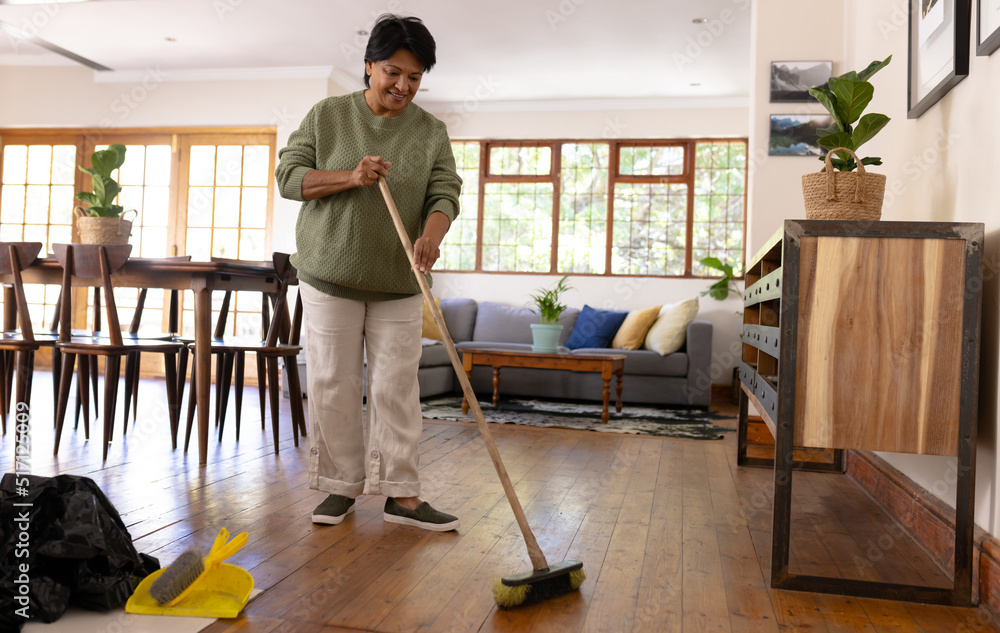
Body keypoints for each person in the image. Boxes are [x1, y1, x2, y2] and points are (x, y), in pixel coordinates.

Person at [274, 14, 462, 531]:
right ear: (369, 66)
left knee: (396, 387)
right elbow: (289, 177)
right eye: (393, 72)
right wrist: (351, 175)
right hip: (329, 274)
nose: (403, 85)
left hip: (399, 280)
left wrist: (431, 235)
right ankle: (339, 488)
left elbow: (446, 192)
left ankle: (401, 494)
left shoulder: (430, 132)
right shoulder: (328, 116)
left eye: (415, 77)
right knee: (333, 382)